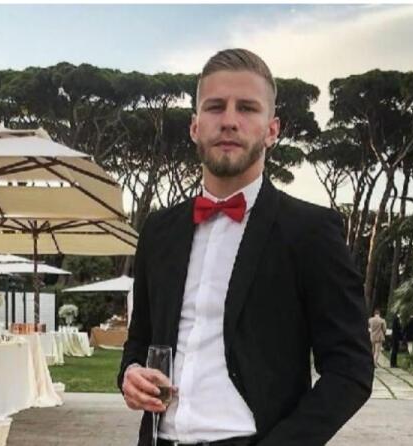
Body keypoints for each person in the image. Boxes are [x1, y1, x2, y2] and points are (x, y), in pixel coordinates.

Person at [117, 48, 374, 446]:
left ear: (272, 130)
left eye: (247, 108)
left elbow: (351, 369)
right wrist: (131, 373)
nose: (229, 120)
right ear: (195, 126)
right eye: (215, 107)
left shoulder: (310, 231)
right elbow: (140, 341)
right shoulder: (159, 230)